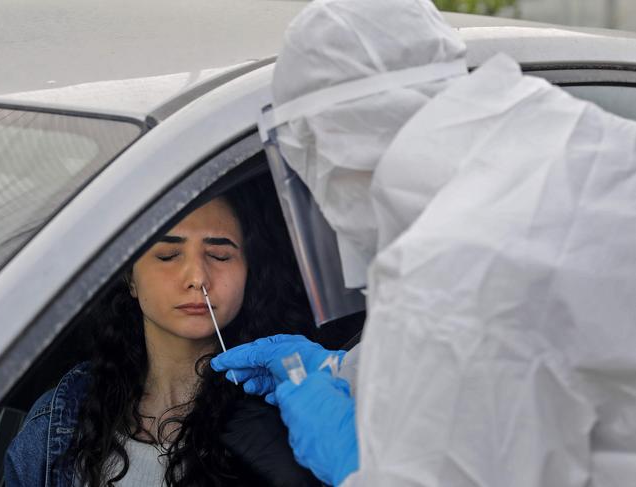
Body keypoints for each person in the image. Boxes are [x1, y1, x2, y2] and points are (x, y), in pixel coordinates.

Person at [215, 0, 636, 486]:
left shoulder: (447, 266)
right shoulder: (578, 141)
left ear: (327, 142)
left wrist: (353, 467)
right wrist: (346, 368)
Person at [4, 174, 322, 487]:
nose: (197, 277)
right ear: (130, 276)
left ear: (249, 272)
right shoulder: (61, 418)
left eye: (219, 255)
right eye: (168, 255)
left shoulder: (295, 412)